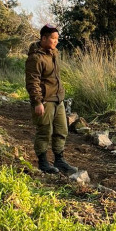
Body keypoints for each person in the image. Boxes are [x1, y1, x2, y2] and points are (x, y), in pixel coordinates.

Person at [25, 24, 78, 175]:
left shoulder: (54, 53)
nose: (56, 42)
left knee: (62, 130)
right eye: (53, 39)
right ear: (43, 38)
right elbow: (32, 82)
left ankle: (59, 160)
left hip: (57, 99)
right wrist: (37, 102)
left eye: (57, 39)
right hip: (44, 100)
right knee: (44, 131)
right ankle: (43, 163)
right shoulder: (35, 58)